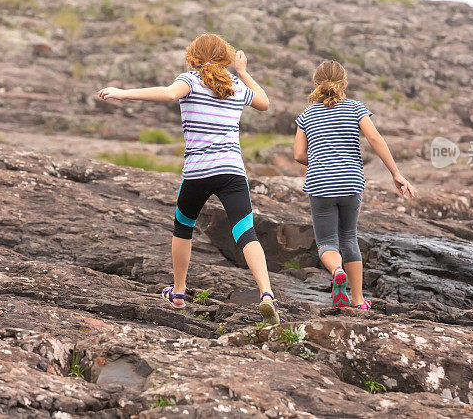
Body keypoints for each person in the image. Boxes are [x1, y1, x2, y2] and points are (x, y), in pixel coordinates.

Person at [97, 33, 280, 324]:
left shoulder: (191, 80)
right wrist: (243, 72)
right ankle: (267, 293)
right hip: (232, 171)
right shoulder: (234, 86)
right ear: (225, 57)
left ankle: (179, 291)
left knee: (183, 227)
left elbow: (169, 93)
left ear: (193, 56)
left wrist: (122, 92)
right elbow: (265, 103)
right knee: (246, 233)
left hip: (198, 172)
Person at [293, 60, 415, 309]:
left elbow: (298, 154)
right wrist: (396, 173)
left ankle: (336, 270)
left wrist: (318, 160)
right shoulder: (356, 109)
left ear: (317, 84)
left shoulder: (306, 115)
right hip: (351, 182)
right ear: (344, 84)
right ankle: (358, 300)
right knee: (349, 237)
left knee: (327, 242)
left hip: (320, 184)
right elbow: (374, 138)